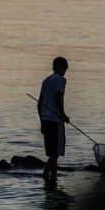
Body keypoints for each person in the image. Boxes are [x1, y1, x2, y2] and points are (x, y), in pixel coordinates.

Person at [37, 56, 70, 184]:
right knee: (56, 152)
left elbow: (39, 103)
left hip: (45, 119)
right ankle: (46, 173)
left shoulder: (46, 80)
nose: (66, 70)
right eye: (65, 68)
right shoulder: (61, 80)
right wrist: (63, 115)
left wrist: (41, 122)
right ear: (61, 67)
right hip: (55, 120)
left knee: (52, 152)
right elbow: (58, 96)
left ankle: (53, 177)